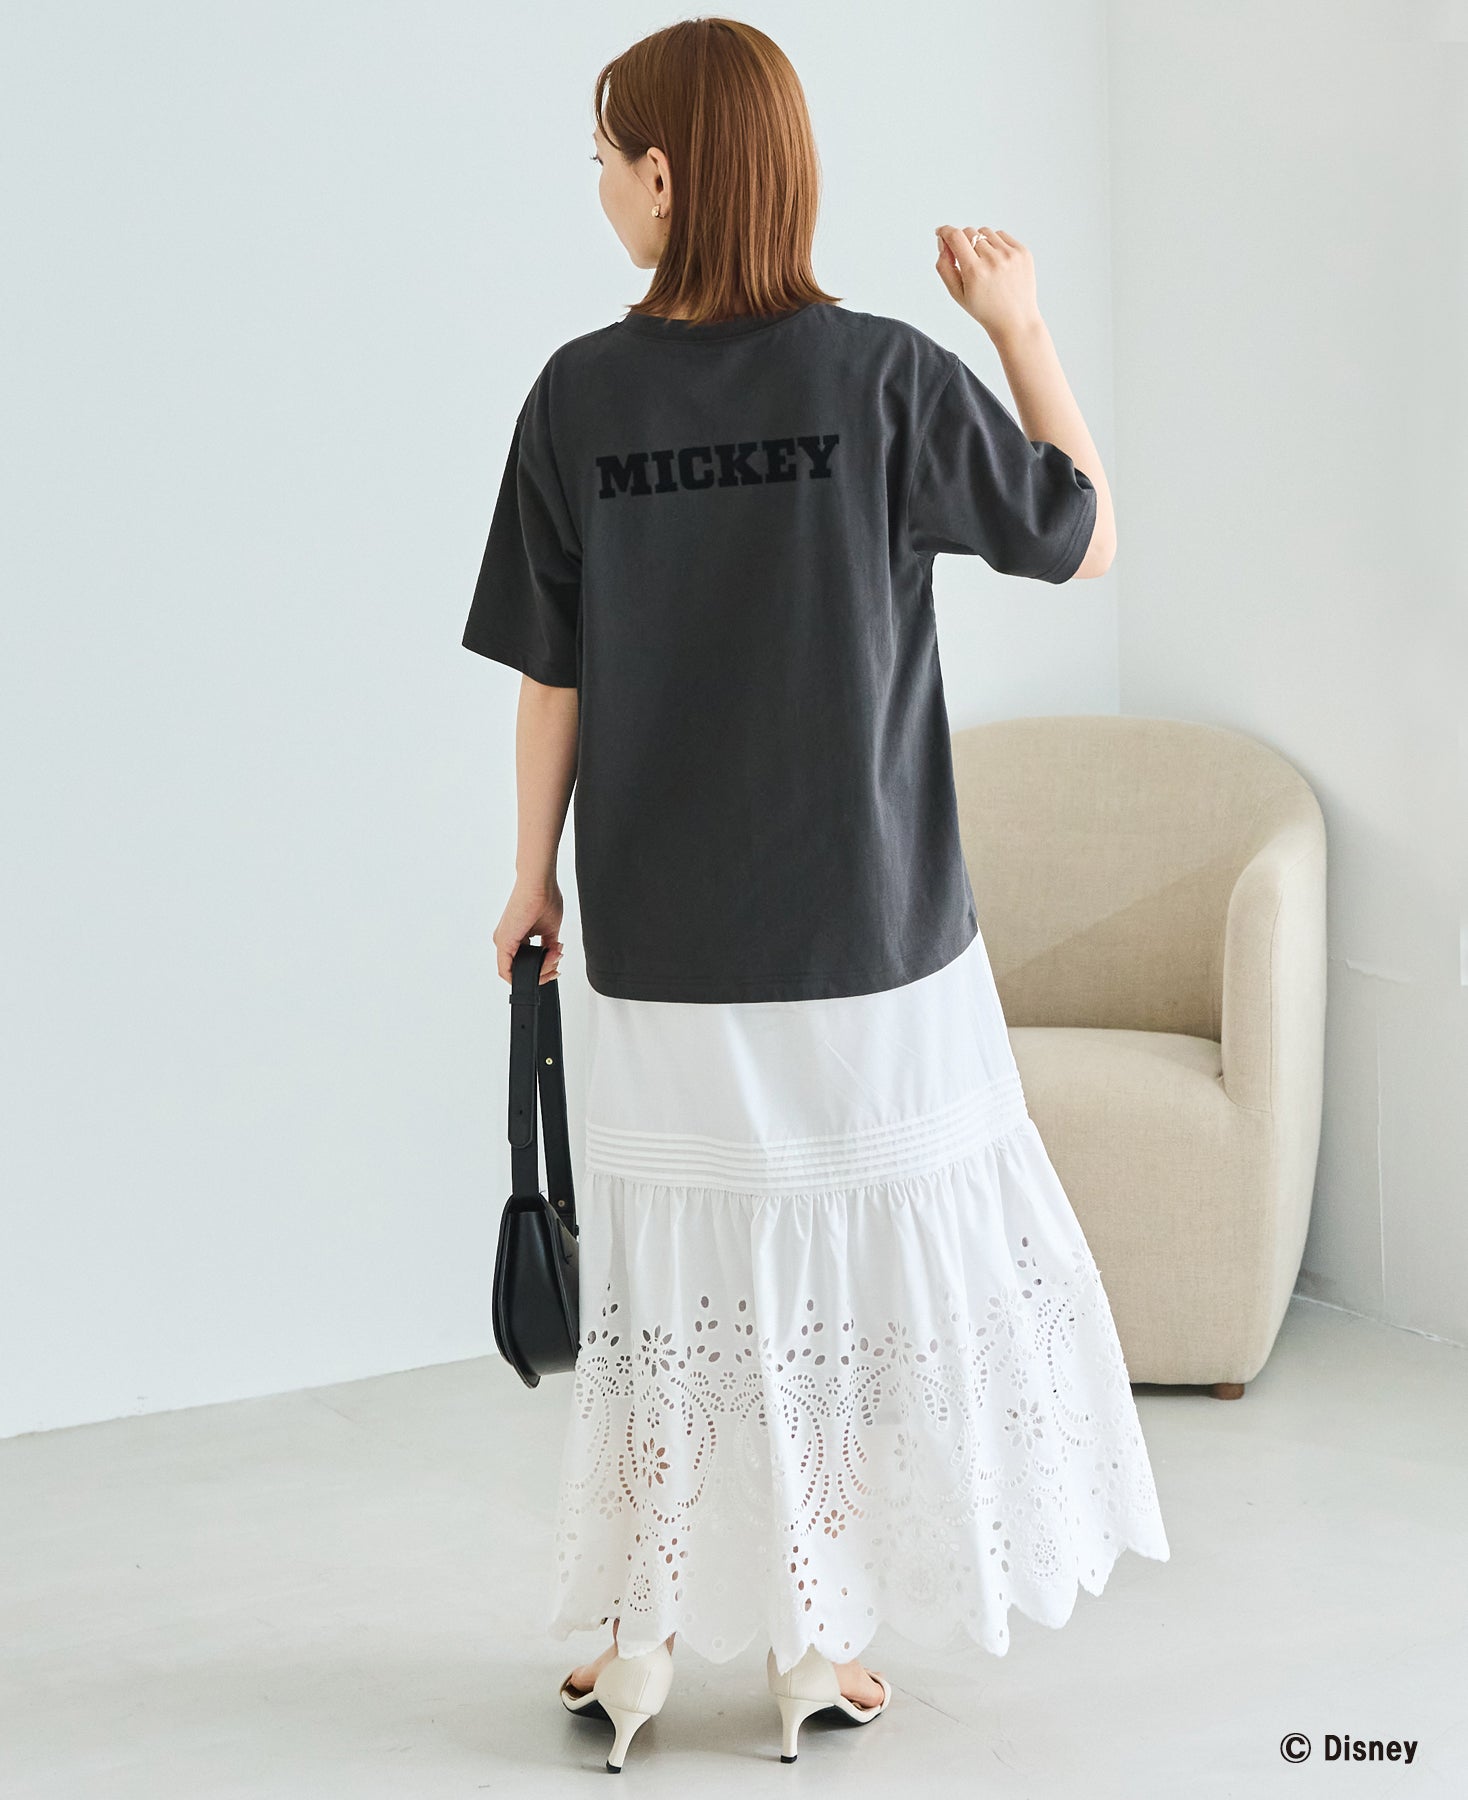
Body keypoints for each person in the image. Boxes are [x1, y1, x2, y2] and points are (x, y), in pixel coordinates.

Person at [462, 15, 1170, 1772]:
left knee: (670, 1285)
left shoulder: (580, 395)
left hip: (661, 936)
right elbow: (1084, 532)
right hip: (871, 936)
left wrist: (532, 876)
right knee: (839, 1288)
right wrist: (1018, 325)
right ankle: (816, 1639)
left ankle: (639, 1638)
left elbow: (551, 675)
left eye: (608, 154)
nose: (600, 183)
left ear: (668, 176)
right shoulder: (884, 377)